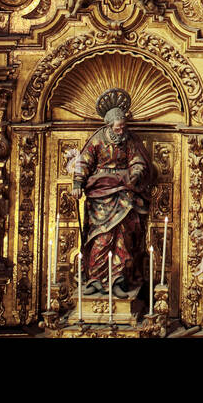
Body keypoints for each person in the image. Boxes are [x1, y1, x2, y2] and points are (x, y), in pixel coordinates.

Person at [70, 90, 154, 297]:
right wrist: (77, 184)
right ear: (109, 126)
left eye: (124, 126)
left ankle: (118, 278)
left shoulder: (130, 140)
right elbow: (83, 163)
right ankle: (96, 279)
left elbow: (138, 159)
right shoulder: (97, 140)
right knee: (100, 237)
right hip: (100, 194)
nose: (122, 129)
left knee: (123, 236)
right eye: (118, 127)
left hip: (125, 193)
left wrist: (136, 172)